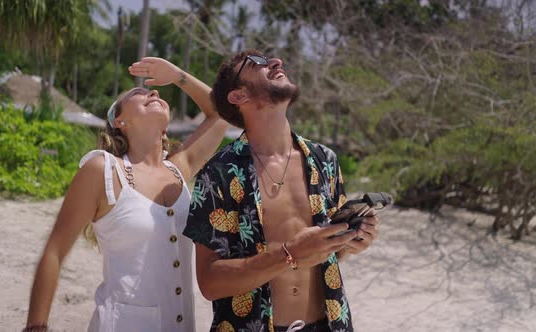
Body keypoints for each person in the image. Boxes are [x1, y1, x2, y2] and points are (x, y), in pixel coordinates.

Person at [24, 58, 228, 332]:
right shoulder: (103, 170)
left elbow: (221, 112)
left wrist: (177, 75)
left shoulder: (179, 168)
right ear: (120, 121)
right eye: (138, 93)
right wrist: (36, 326)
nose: (152, 93)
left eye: (155, 92)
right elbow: (54, 251)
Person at [183, 50, 379, 332]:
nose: (276, 62)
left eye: (272, 59)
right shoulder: (220, 174)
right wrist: (289, 255)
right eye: (258, 63)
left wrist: (352, 240)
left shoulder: (324, 160)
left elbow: (327, 251)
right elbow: (210, 283)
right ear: (239, 96)